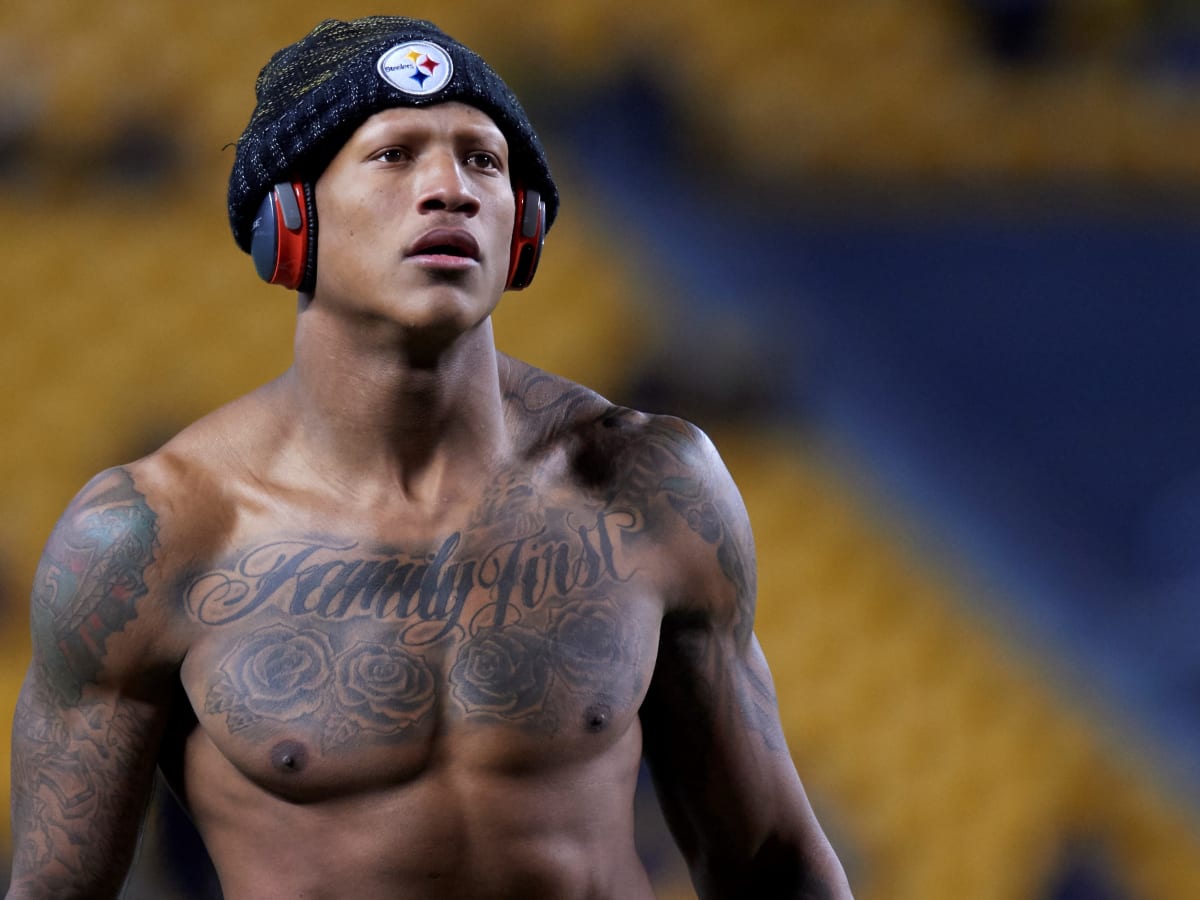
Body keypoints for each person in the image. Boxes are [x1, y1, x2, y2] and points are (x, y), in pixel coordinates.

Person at [6, 16, 853, 900]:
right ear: (290, 221)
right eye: (394, 155)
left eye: (483, 161)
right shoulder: (151, 538)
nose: (450, 189)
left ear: (522, 229)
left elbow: (775, 865)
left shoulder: (649, 486)